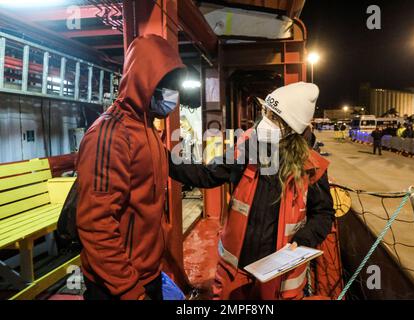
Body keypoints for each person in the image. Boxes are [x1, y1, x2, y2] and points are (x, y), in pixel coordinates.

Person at [169, 82, 337, 300]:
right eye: (266, 111)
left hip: (279, 278)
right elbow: (208, 174)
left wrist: (305, 239)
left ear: (291, 128)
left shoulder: (311, 167)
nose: (266, 120)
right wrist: (165, 159)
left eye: (275, 116)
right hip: (234, 273)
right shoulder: (247, 147)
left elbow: (323, 214)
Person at [76, 35, 185, 300]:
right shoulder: (110, 134)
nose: (172, 95)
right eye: (165, 85)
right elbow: (97, 225)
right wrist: (131, 292)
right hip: (115, 287)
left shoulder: (147, 128)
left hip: (146, 275)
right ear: (142, 81)